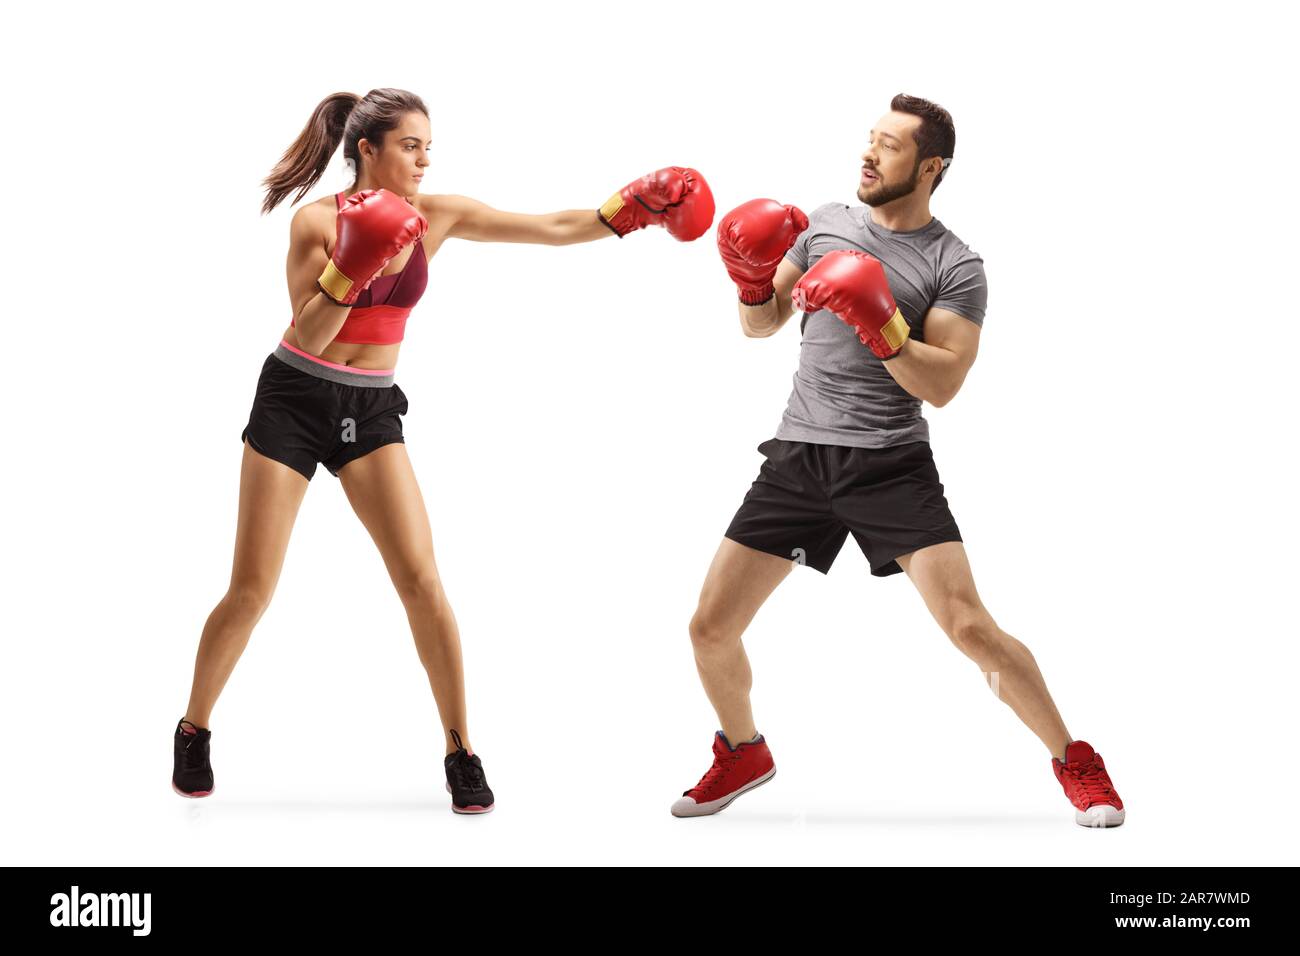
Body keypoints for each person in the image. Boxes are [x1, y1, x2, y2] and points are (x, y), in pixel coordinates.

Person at [173, 87, 714, 813]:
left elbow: (551, 226)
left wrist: (631, 208)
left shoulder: (439, 216)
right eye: (410, 145)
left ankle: (461, 749)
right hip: (295, 400)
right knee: (253, 589)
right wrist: (354, 264)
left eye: (430, 147)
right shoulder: (315, 222)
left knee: (423, 583)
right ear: (367, 149)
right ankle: (194, 727)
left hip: (370, 410)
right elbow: (309, 339)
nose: (424, 160)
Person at [672, 93, 1125, 828]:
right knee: (709, 627)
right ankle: (745, 750)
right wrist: (751, 282)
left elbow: (943, 384)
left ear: (931, 166)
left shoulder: (956, 264)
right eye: (869, 140)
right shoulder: (822, 224)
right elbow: (761, 326)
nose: (868, 154)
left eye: (888, 146)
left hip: (889, 463)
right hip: (798, 455)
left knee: (970, 627)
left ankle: (1076, 761)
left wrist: (880, 322)